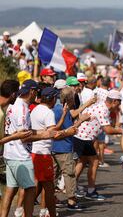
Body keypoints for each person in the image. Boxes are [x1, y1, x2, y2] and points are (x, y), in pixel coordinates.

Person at [1, 80, 55, 217]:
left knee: (10, 190)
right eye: (36, 92)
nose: (36, 96)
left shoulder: (14, 105)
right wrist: (44, 135)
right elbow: (24, 137)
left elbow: (24, 131)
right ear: (31, 91)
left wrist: (43, 133)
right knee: (30, 189)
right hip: (20, 155)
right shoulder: (23, 108)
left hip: (10, 152)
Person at [74, 89, 122, 200]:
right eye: (119, 102)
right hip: (83, 137)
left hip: (83, 137)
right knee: (94, 162)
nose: (120, 105)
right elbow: (108, 130)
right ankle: (90, 191)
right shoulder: (103, 110)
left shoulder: (102, 106)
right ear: (114, 101)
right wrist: (122, 131)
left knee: (82, 162)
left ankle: (72, 187)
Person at [30, 87, 68, 217]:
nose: (56, 100)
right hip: (43, 153)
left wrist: (63, 116)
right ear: (51, 99)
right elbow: (53, 134)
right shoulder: (48, 112)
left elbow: (50, 129)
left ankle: (25, 211)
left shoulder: (35, 109)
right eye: (56, 98)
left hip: (35, 152)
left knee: (36, 186)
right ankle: (49, 213)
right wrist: (70, 131)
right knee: (49, 189)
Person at [52, 87, 89, 211]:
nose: (75, 100)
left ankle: (51, 200)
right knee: (70, 174)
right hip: (63, 147)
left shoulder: (56, 109)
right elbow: (70, 130)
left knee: (53, 176)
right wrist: (81, 120)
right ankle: (71, 201)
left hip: (53, 147)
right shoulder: (62, 111)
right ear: (69, 99)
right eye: (73, 98)